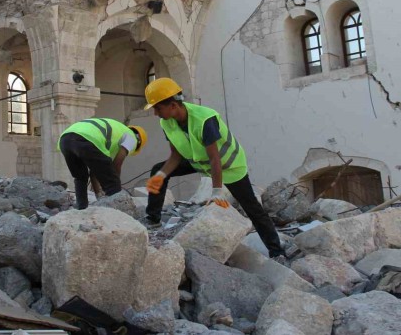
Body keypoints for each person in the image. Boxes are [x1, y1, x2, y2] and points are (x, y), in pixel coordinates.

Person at [143, 78, 286, 258]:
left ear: (172, 105)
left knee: (252, 208)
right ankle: (153, 220)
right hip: (198, 161)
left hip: (229, 166)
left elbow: (214, 158)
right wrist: (161, 175)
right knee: (158, 170)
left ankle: (276, 251)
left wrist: (217, 192)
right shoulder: (167, 122)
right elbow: (176, 155)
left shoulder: (205, 119)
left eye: (158, 108)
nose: (155, 113)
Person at [59, 118, 147, 210]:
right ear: (139, 142)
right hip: (87, 138)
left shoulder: (115, 133)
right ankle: (116, 214)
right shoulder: (132, 137)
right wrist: (115, 184)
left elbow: (95, 170)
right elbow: (117, 163)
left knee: (80, 177)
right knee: (113, 183)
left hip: (65, 140)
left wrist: (98, 194)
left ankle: (82, 208)